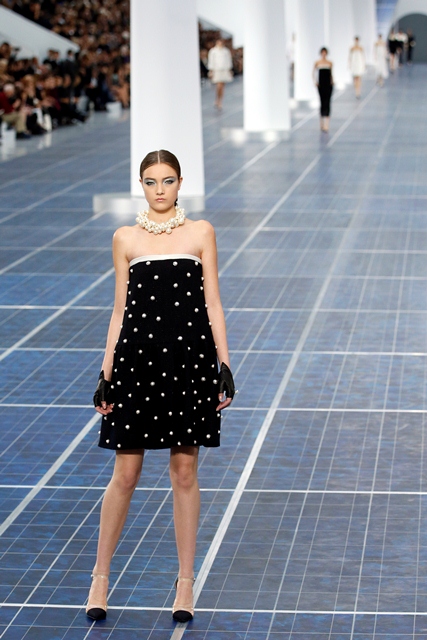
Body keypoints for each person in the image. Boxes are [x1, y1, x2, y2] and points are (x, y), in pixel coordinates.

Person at [86, 149, 235, 624]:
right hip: (136, 364)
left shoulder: (201, 232)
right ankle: (100, 577)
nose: (159, 190)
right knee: (126, 474)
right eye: (150, 182)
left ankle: (185, 582)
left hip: (189, 364)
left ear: (180, 183)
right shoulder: (125, 238)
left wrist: (224, 363)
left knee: (184, 473)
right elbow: (119, 310)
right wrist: (106, 373)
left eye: (167, 181)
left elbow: (212, 302)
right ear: (141, 185)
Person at [207, 39, 233, 110]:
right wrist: (211, 70)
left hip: (224, 70)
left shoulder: (226, 51)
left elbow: (228, 60)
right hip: (216, 70)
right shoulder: (213, 51)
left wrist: (229, 70)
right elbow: (211, 61)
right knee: (219, 85)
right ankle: (217, 99)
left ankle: (220, 101)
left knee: (222, 86)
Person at [313, 47, 333, 133]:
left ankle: (326, 124)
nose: (324, 54)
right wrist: (315, 82)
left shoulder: (330, 63)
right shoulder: (317, 63)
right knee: (321, 102)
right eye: (322, 52)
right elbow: (313, 72)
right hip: (321, 85)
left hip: (328, 85)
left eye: (325, 53)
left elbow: (331, 74)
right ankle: (321, 123)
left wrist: (332, 82)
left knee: (327, 102)